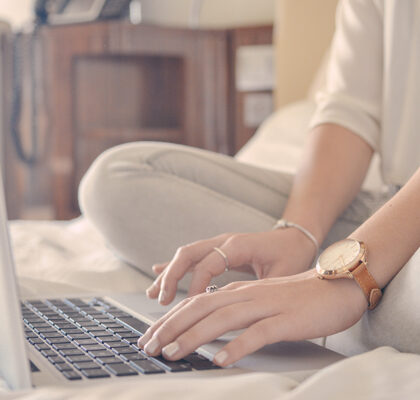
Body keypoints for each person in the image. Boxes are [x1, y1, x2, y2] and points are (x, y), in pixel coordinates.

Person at [78, 0, 420, 367]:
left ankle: (327, 301)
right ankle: (322, 296)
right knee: (118, 180)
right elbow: (351, 111)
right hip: (394, 205)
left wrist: (346, 281)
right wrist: (298, 231)